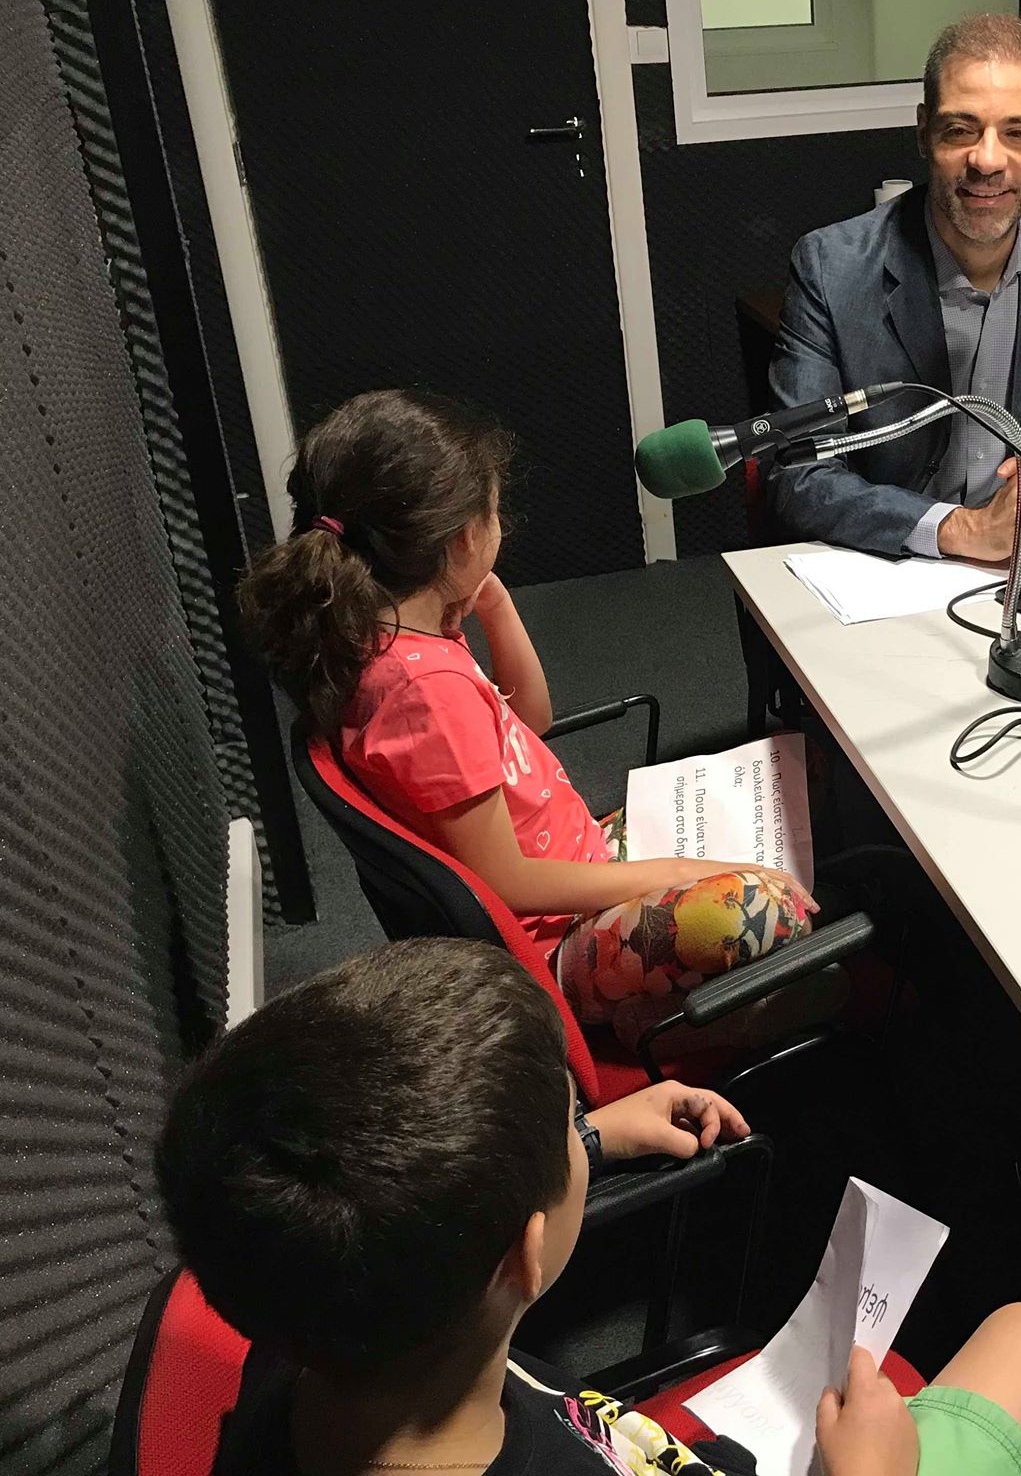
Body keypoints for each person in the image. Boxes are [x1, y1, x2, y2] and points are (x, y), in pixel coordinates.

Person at [155, 937, 1021, 1476]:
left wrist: (589, 1143)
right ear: (522, 1256)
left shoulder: (298, 1318)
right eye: (570, 1121)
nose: (579, 1129)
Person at [238, 389, 817, 1044]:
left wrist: (494, 606)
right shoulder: (423, 692)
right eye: (494, 513)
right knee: (763, 908)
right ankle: (653, 1022)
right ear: (464, 538)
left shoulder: (395, 635)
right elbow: (507, 881)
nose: (501, 528)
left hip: (573, 862)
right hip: (555, 939)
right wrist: (683, 873)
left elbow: (531, 720)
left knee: (775, 794)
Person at [767, 13, 1021, 566]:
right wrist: (961, 529)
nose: (987, 160)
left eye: (1017, 132)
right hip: (889, 565)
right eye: (960, 130)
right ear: (923, 131)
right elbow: (797, 471)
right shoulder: (831, 267)